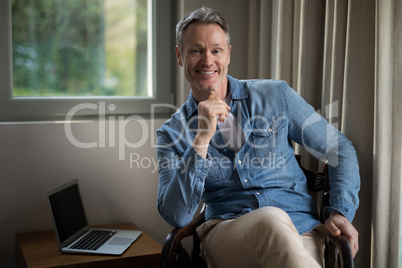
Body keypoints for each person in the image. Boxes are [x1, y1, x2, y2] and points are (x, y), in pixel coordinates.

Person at [156, 6, 360, 268]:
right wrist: (201, 139)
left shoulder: (277, 95)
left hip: (302, 232)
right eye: (196, 50)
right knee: (270, 220)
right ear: (180, 56)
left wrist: (340, 210)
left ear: (228, 54)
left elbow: (338, 148)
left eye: (216, 50)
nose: (207, 60)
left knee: (279, 233)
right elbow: (177, 215)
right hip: (227, 234)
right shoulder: (171, 133)